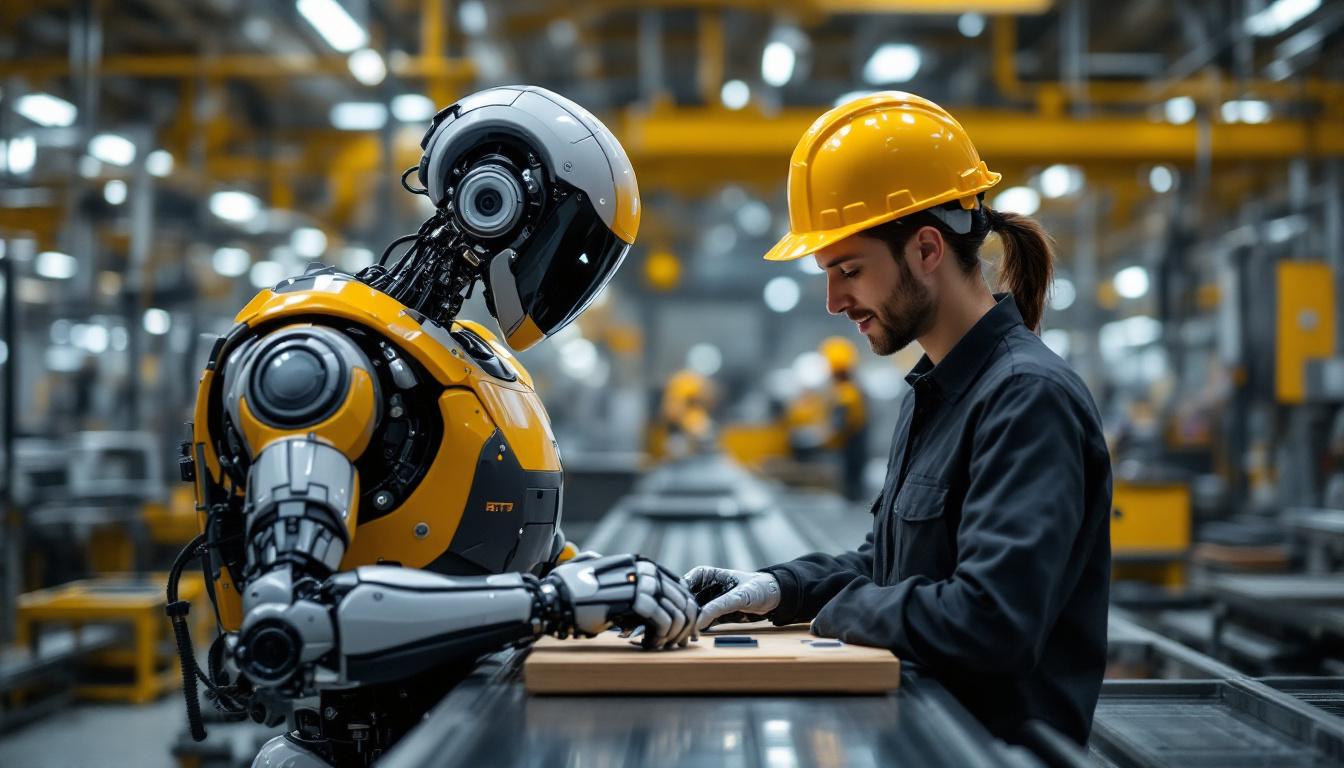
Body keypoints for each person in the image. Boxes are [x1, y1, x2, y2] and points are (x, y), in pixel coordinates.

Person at [684, 91, 1112, 746]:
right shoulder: (933, 393)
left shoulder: (1027, 400)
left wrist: (842, 611)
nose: (833, 301)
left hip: (991, 752)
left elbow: (992, 621)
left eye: (849, 269)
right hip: (921, 729)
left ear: (927, 250)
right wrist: (774, 589)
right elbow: (893, 568)